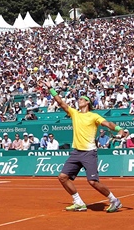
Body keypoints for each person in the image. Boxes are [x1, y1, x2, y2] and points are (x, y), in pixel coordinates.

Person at [45, 80, 123, 213]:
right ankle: (78, 202)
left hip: (89, 153)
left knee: (93, 182)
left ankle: (114, 200)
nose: (79, 100)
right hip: (76, 152)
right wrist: (51, 89)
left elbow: (108, 124)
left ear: (88, 103)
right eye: (79, 98)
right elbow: (61, 103)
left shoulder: (94, 116)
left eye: (82, 99)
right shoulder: (74, 113)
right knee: (62, 177)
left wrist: (119, 129)